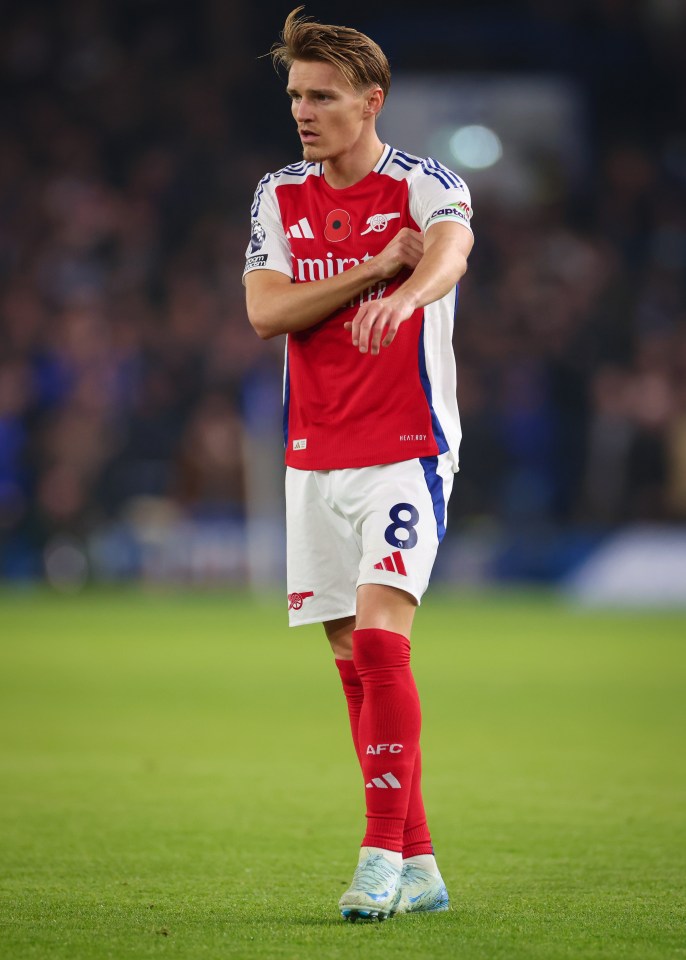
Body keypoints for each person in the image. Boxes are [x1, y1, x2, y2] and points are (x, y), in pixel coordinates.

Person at [244, 6, 474, 922]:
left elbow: (452, 249)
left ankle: (378, 855)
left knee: (383, 640)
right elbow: (267, 312)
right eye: (297, 95)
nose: (305, 111)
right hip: (314, 453)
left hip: (407, 448)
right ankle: (420, 864)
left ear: (370, 100)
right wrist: (373, 271)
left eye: (324, 96)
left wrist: (409, 288)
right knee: (353, 661)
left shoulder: (424, 181)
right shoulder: (277, 194)